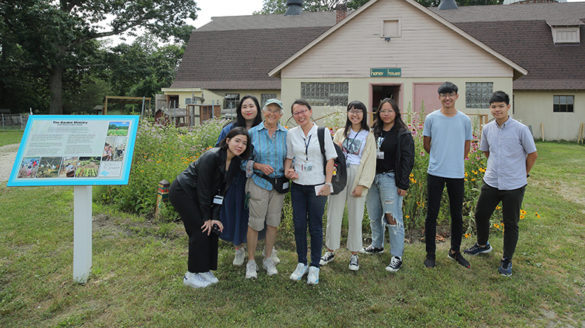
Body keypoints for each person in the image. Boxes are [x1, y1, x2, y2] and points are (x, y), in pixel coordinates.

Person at [464, 91, 537, 276]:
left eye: (501, 106)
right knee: (481, 214)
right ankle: (482, 245)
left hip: (514, 185)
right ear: (490, 108)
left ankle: (506, 260)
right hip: (492, 181)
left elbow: (532, 155)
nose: (497, 110)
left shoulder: (521, 129)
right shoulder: (487, 129)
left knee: (510, 223)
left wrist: (523, 173)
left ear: (508, 107)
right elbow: (487, 152)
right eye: (494, 107)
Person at [169, 127, 251, 288]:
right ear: (227, 141)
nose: (240, 145)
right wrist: (206, 217)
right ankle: (191, 275)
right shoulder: (212, 156)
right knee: (200, 229)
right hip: (183, 192)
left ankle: (205, 269)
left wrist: (215, 217)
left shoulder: (235, 163)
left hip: (201, 196)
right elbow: (204, 189)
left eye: (244, 143)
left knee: (213, 228)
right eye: (237, 141)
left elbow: (221, 191)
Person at [284, 99, 337, 285]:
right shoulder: (291, 134)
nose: (300, 115)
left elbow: (330, 159)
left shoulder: (322, 132)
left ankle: (314, 265)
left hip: (318, 186)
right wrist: (287, 171)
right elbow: (289, 157)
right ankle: (301, 263)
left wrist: (327, 184)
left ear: (310, 111)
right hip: (298, 186)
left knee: (315, 226)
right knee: (299, 225)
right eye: (296, 113)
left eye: (303, 111)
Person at [320, 101, 376, 271]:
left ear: (364, 115)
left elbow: (371, 162)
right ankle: (330, 250)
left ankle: (354, 254)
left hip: (357, 175)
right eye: (352, 111)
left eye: (359, 112)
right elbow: (332, 156)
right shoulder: (340, 133)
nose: (355, 114)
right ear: (347, 113)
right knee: (333, 212)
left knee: (356, 215)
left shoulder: (368, 135)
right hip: (339, 175)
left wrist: (362, 184)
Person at [423, 82, 473, 269]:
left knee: (456, 215)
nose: (447, 98)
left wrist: (454, 160)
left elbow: (466, 147)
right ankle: (430, 254)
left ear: (456, 96)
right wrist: (439, 158)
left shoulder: (465, 120)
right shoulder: (431, 118)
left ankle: (455, 251)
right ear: (439, 97)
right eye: (444, 95)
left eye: (451, 94)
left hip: (456, 173)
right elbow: (426, 144)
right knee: (432, 214)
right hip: (435, 172)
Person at [362, 98, 415, 272]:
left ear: (396, 113)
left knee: (392, 217)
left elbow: (407, 160)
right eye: (383, 111)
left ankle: (397, 255)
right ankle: (377, 245)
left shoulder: (402, 134)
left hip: (390, 179)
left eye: (389, 111)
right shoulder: (373, 131)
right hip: (372, 178)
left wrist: (403, 184)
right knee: (374, 215)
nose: (386, 114)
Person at [215, 96, 269, 266]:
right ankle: (238, 248)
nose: (248, 109)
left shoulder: (264, 128)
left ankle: (262, 248)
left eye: (251, 106)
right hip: (234, 179)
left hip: (258, 179)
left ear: (257, 109)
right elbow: (219, 151)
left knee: (256, 214)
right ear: (240, 110)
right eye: (244, 106)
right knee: (234, 212)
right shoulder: (230, 129)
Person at [242, 99, 288, 279]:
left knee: (273, 223)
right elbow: (242, 162)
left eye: (276, 110)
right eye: (269, 109)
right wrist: (259, 166)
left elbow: (291, 157)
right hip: (259, 183)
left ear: (281, 114)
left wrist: (289, 169)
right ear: (263, 112)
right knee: (254, 223)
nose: (272, 114)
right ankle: (251, 261)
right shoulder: (252, 133)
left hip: (278, 186)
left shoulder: (286, 134)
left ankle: (268, 258)